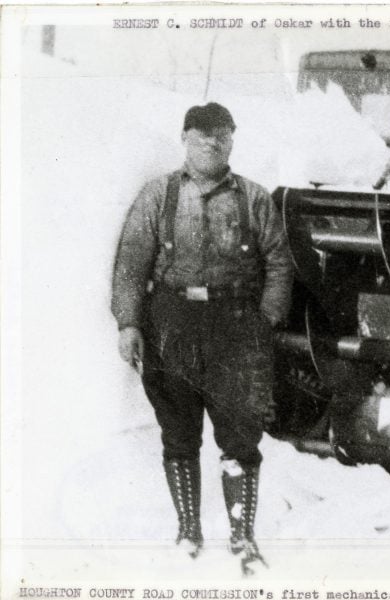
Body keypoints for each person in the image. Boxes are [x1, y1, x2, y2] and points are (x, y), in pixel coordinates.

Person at [111, 102, 293, 575]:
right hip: (171, 322)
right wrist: (129, 323)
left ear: (232, 141)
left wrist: (266, 321)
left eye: (223, 135)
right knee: (178, 430)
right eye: (202, 135)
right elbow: (131, 262)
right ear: (185, 139)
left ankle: (242, 536)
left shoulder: (254, 198)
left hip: (236, 326)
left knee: (240, 434)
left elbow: (278, 263)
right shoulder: (159, 196)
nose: (213, 143)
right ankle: (188, 530)